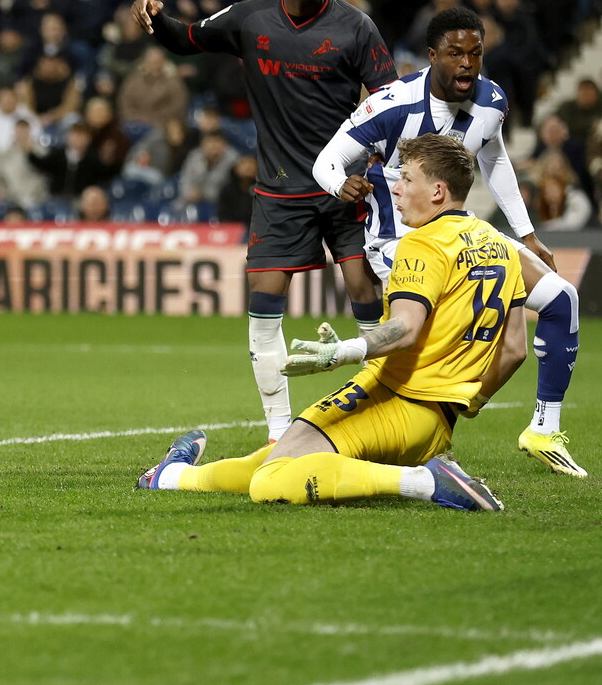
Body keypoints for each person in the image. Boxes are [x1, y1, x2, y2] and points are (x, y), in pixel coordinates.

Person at [140, 134, 522, 513]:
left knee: (271, 481)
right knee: (283, 455)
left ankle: (426, 482)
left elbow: (406, 327)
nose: (398, 189)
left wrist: (345, 350)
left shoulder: (423, 243)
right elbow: (515, 349)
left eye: (406, 179)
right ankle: (171, 477)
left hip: (393, 399)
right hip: (436, 424)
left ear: (438, 191)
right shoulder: (502, 246)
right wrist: (469, 404)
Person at [131, 0, 396, 443]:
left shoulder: (356, 27)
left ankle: (381, 423)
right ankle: (279, 436)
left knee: (365, 293)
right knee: (263, 312)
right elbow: (188, 39)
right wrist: (156, 19)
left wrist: (372, 166)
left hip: (345, 190)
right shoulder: (251, 19)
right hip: (279, 192)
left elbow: (391, 102)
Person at [312, 7, 587, 476]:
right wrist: (342, 185)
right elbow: (327, 161)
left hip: (461, 232)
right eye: (455, 53)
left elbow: (496, 162)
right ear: (432, 55)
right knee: (435, 333)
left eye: (475, 52)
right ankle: (388, 429)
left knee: (562, 299)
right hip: (399, 241)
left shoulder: (493, 101)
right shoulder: (391, 104)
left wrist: (527, 234)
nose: (467, 63)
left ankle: (539, 426)